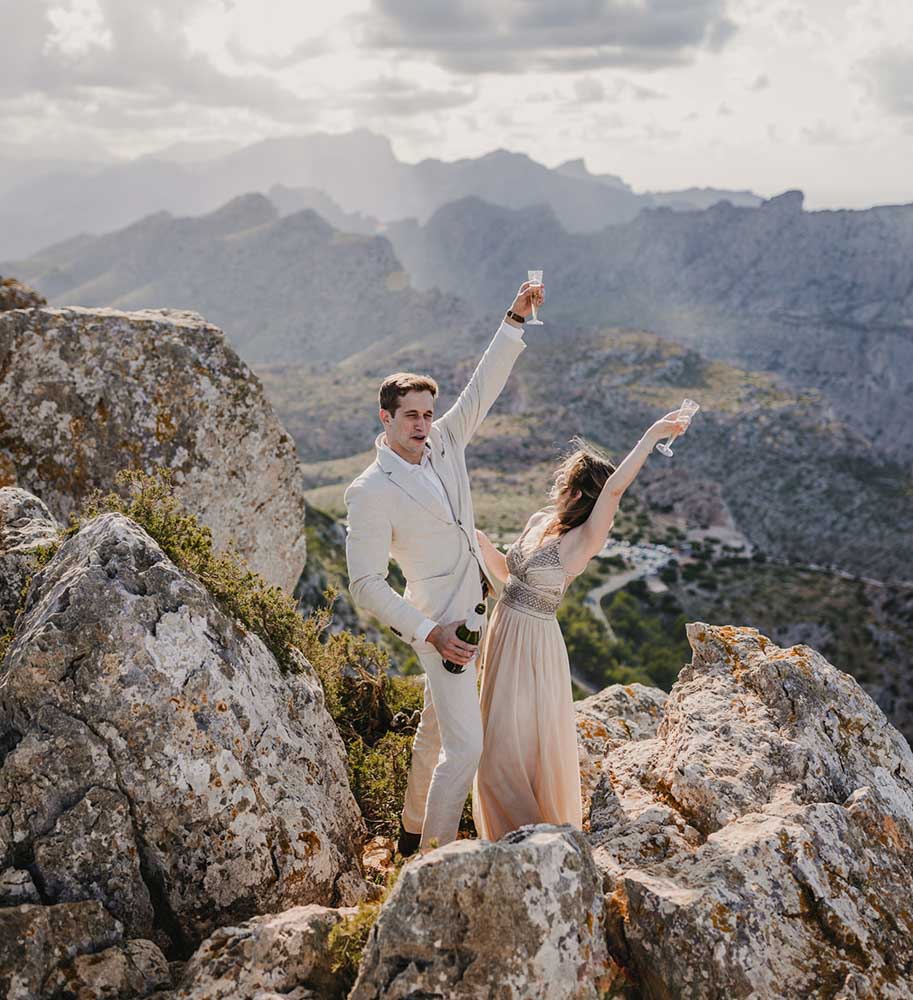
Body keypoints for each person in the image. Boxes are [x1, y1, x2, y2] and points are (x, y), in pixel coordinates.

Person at [344, 281, 544, 856]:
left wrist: (514, 318)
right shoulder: (369, 491)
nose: (423, 424)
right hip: (441, 630)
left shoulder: (446, 442)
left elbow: (485, 386)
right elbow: (364, 585)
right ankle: (432, 859)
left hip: (480, 608)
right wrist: (430, 632)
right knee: (466, 748)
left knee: (435, 731)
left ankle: (409, 833)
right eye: (410, 415)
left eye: (428, 414)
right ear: (385, 417)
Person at [472, 410, 693, 841]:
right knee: (493, 741)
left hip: (533, 643)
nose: (557, 486)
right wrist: (477, 542)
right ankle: (502, 837)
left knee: (508, 749)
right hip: (503, 631)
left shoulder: (583, 541)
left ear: (578, 493)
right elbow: (506, 575)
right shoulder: (540, 522)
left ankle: (531, 838)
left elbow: (614, 489)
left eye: (565, 482)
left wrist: (651, 436)